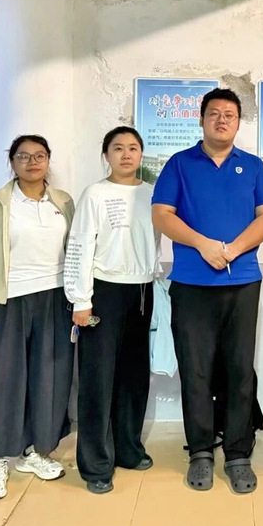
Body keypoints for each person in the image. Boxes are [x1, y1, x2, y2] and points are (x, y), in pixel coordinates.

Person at [152, 88, 263, 493]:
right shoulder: (179, 163)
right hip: (191, 284)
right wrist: (203, 244)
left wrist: (233, 249)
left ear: (238, 122)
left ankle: (238, 454)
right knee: (196, 371)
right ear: (202, 119)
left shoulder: (253, 166)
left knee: (239, 370)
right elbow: (161, 214)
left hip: (242, 283)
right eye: (214, 113)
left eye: (230, 115)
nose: (222, 120)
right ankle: (201, 452)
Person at [0, 135, 75, 500]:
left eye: (39, 155)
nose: (32, 162)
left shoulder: (63, 202)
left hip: (55, 299)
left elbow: (75, 250)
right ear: (12, 162)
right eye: (23, 156)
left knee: (49, 378)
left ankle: (36, 451)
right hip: (7, 301)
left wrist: (78, 298)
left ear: (48, 160)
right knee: (1, 380)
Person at [64, 126, 160, 494]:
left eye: (133, 148)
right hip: (102, 291)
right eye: (118, 148)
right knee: (97, 380)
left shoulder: (152, 194)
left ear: (141, 154)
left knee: (134, 376)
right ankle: (96, 464)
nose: (126, 154)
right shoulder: (95, 193)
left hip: (142, 291)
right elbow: (80, 244)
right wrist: (80, 299)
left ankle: (128, 449)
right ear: (106, 155)